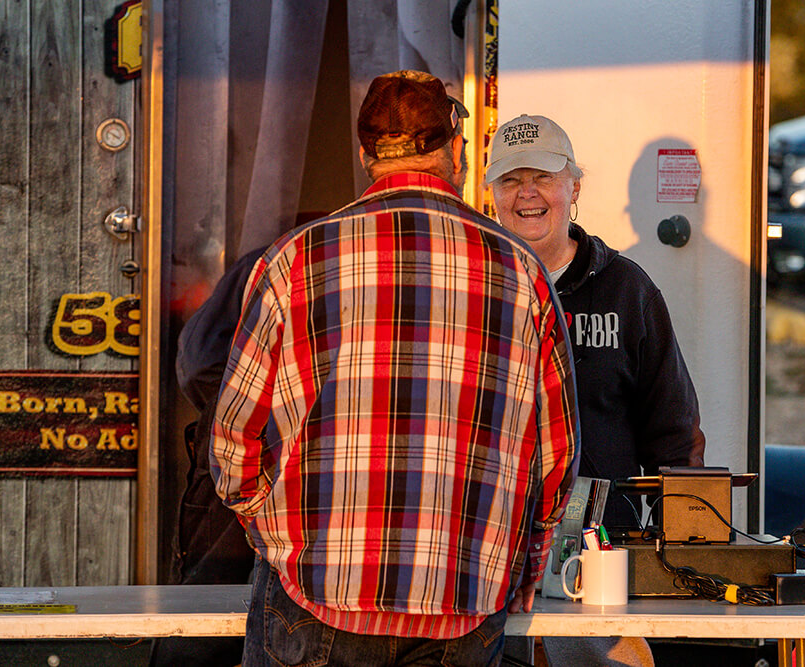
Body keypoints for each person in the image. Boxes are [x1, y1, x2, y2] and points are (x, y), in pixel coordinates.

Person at [210, 71, 580, 666]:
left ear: (365, 156)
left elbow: (233, 442)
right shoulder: (522, 273)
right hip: (464, 601)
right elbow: (554, 456)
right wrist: (527, 561)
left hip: (318, 592)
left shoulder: (293, 260)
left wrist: (272, 536)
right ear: (455, 150)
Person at [486, 114, 707, 666]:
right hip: (487, 572)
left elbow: (674, 432)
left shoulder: (628, 289)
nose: (527, 194)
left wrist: (681, 554)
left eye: (544, 177)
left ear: (574, 187)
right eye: (511, 180)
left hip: (602, 571)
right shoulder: (471, 286)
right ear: (490, 193)